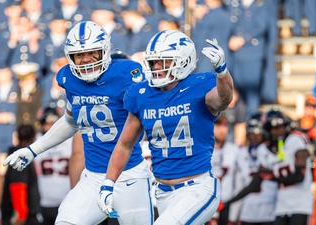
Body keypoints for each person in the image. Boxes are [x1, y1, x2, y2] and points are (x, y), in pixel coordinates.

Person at [3, 21, 153, 225]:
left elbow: (151, 113)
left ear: (105, 51)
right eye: (79, 55)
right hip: (93, 178)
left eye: (93, 52)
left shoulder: (127, 74)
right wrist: (33, 150)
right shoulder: (69, 79)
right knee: (66, 221)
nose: (86, 60)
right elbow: (70, 121)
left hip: (130, 177)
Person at [97, 30, 234, 224]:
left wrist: (222, 72)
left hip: (197, 187)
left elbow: (223, 99)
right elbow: (125, 144)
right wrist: (108, 183)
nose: (158, 67)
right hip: (161, 192)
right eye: (154, 62)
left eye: (164, 62)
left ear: (184, 61)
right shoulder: (141, 93)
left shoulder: (200, 85)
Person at [33, 106, 72, 225]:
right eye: (47, 123)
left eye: (53, 123)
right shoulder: (36, 142)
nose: (50, 127)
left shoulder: (71, 140)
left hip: (66, 201)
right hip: (43, 202)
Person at [1, 124, 42, 225]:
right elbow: (18, 187)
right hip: (23, 220)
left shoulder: (17, 155)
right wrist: (21, 216)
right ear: (33, 138)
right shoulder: (21, 158)